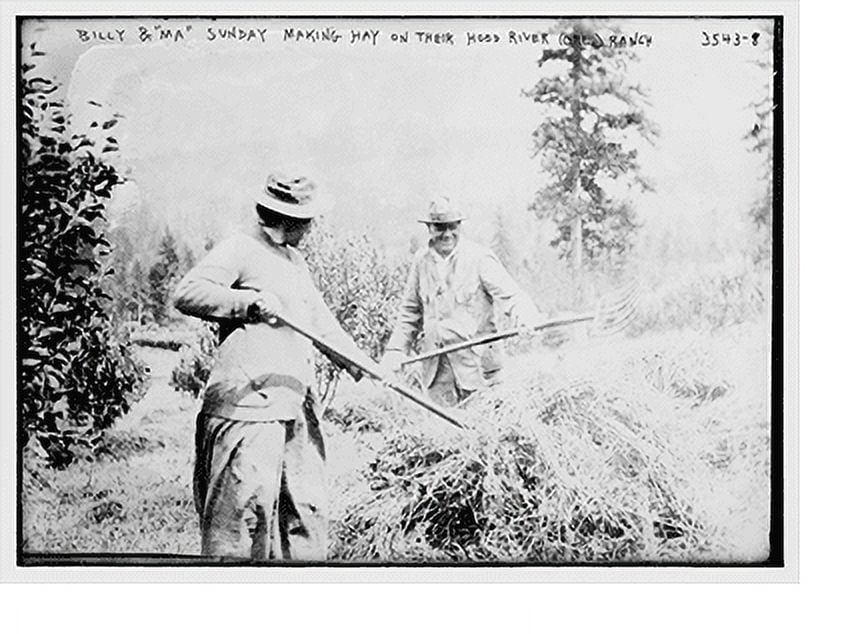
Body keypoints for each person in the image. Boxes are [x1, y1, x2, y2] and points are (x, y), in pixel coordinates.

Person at [172, 171, 373, 561]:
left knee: (304, 517)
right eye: (308, 219)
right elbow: (187, 293)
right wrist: (248, 303)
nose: (313, 227)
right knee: (242, 527)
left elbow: (321, 323)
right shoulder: (240, 249)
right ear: (286, 218)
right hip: (248, 411)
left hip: (295, 408)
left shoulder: (295, 261)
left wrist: (362, 364)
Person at [380, 196, 541, 407]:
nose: (447, 234)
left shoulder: (480, 258)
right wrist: (395, 351)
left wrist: (526, 316)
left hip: (478, 372)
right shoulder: (421, 262)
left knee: (483, 434)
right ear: (429, 228)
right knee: (443, 436)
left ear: (459, 225)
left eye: (452, 226)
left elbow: (512, 296)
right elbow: (409, 314)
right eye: (440, 227)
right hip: (437, 375)